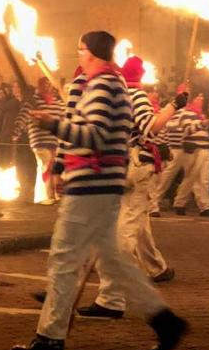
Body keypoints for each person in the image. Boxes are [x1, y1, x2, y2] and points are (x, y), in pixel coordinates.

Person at [10, 31, 186, 350]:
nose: (78, 55)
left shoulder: (104, 86)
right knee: (113, 260)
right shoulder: (106, 83)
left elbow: (95, 136)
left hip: (92, 183)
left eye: (80, 50)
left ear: (90, 52)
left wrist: (54, 125)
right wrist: (62, 156)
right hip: (98, 182)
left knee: (64, 258)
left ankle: (50, 338)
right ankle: (165, 321)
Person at [78, 56, 183, 318]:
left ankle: (137, 281)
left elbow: (142, 128)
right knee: (130, 228)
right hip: (131, 168)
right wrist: (175, 105)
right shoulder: (133, 95)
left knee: (131, 227)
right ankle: (127, 288)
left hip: (124, 167)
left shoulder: (120, 96)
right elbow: (150, 127)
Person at [13, 77, 63, 204]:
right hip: (39, 140)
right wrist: (16, 131)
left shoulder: (57, 102)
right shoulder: (32, 101)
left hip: (54, 141)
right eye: (44, 84)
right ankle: (45, 196)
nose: (47, 86)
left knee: (54, 167)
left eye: (49, 84)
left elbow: (64, 117)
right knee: (45, 164)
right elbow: (23, 116)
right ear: (39, 86)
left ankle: (55, 194)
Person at [170, 94, 209, 216]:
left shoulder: (201, 115)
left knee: (204, 179)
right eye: (198, 97)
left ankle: (205, 206)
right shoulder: (186, 113)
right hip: (193, 149)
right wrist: (202, 124)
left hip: (205, 148)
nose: (201, 100)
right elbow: (186, 131)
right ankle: (180, 202)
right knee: (191, 178)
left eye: (202, 98)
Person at [0, 83, 22, 166]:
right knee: (9, 158)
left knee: (7, 158)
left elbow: (3, 107)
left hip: (10, 133)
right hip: (10, 133)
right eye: (13, 87)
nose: (14, 89)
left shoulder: (15, 101)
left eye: (16, 87)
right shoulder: (17, 101)